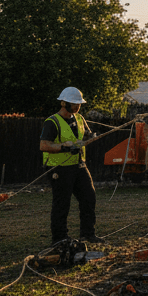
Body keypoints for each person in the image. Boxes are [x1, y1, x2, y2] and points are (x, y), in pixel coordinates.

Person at [39, 86, 102, 244]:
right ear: (63, 103)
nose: (77, 106)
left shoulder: (80, 119)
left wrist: (91, 137)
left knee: (89, 197)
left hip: (79, 165)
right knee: (62, 203)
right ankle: (59, 238)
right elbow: (44, 145)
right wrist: (64, 147)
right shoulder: (52, 122)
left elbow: (86, 134)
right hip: (59, 168)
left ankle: (88, 234)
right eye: (74, 103)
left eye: (78, 103)